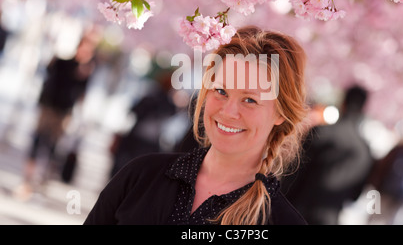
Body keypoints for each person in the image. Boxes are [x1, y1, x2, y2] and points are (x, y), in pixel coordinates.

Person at [84, 25, 310, 225]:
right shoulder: (140, 175)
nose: (229, 112)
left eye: (250, 100)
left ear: (281, 114)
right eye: (221, 91)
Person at [15, 28, 99, 199]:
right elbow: (49, 74)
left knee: (54, 147)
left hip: (64, 112)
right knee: (38, 142)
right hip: (48, 107)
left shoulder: (86, 70)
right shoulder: (62, 62)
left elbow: (82, 95)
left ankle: (42, 182)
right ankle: (27, 180)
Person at [282, 85, 375, 225]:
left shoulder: (321, 133)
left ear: (343, 103)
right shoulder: (365, 151)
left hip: (297, 209)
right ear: (363, 109)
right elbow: (355, 195)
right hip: (329, 217)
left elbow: (293, 172)